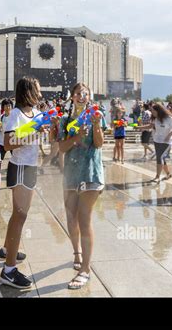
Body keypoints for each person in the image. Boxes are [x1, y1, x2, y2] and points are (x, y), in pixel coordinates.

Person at [0, 76, 48, 289]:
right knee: (20, 215)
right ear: (28, 91)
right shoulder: (16, 115)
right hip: (19, 168)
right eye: (37, 90)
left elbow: (35, 135)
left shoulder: (36, 114)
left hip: (31, 167)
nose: (40, 93)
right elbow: (8, 144)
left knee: (19, 215)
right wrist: (32, 132)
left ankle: (7, 250)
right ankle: (9, 271)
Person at [58, 82, 106, 289]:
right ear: (72, 97)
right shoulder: (65, 120)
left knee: (84, 219)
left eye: (85, 94)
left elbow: (100, 143)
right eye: (77, 93)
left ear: (89, 97)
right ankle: (76, 251)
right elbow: (61, 147)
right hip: (70, 174)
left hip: (90, 173)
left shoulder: (97, 114)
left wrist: (95, 125)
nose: (81, 96)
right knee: (71, 216)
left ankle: (85, 269)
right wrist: (76, 136)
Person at [137, 103, 172, 183]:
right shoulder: (154, 118)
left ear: (158, 110)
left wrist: (169, 136)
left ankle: (157, 177)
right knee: (161, 158)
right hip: (157, 140)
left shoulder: (169, 118)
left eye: (153, 111)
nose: (152, 112)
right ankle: (168, 174)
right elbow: (150, 126)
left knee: (159, 157)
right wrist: (139, 127)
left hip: (166, 142)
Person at [0, 99, 13, 164]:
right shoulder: (1, 117)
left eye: (9, 106)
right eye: (6, 106)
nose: (8, 107)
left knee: (17, 160)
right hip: (2, 142)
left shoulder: (14, 117)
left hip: (12, 142)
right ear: (3, 107)